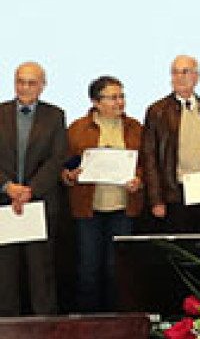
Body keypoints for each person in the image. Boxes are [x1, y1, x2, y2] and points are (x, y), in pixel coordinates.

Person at [62, 76, 143, 312]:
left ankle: (117, 321)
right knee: (88, 269)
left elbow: (145, 163)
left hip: (123, 207)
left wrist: (139, 180)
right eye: (113, 97)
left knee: (117, 270)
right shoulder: (77, 129)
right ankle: (89, 322)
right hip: (89, 209)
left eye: (121, 96)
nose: (120, 102)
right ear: (96, 102)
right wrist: (69, 176)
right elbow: (63, 166)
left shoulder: (135, 127)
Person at [0, 62, 67, 315]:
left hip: (39, 203)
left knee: (41, 274)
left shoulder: (55, 115)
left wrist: (30, 190)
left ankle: (46, 327)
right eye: (20, 81)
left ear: (42, 85)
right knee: (5, 274)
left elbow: (57, 158)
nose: (25, 87)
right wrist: (8, 187)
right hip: (4, 204)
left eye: (31, 82)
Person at [141, 55, 200, 233]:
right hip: (175, 192)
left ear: (196, 77)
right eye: (175, 72)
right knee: (180, 245)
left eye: (185, 72)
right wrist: (156, 199)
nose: (179, 77)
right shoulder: (157, 111)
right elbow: (149, 158)